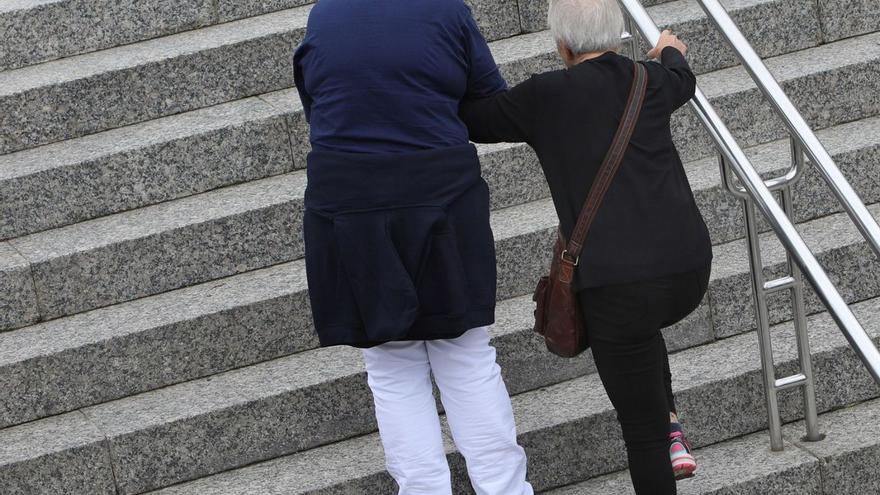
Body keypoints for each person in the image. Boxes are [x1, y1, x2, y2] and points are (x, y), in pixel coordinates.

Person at [458, 0, 713, 493]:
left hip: (616, 286)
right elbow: (682, 78)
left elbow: (475, 119)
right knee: (643, 327)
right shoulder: (650, 80)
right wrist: (668, 50)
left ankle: (662, 430)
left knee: (641, 434)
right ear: (618, 37)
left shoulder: (542, 97)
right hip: (687, 270)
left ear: (563, 45)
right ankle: (672, 425)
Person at [293, 1, 534, 494]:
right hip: (438, 191)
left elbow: (316, 104)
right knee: (465, 355)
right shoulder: (445, 10)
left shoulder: (325, 14)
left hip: (348, 199)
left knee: (391, 364)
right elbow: (489, 100)